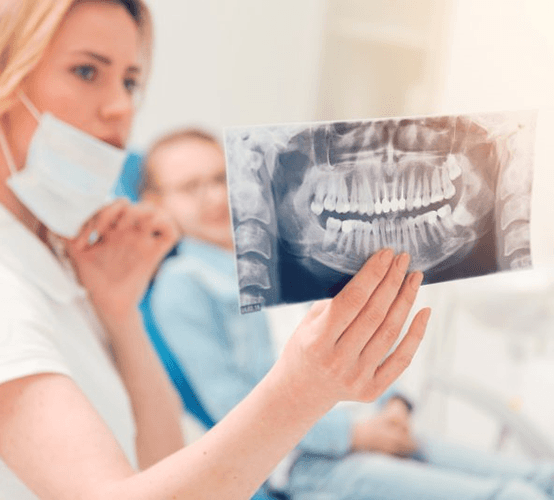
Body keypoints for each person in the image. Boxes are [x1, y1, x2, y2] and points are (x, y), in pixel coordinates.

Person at [0, 2, 431, 499]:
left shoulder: (65, 260)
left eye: (130, 81)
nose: (120, 106)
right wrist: (301, 389)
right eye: (86, 71)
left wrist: (119, 314)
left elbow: (159, 461)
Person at [144, 127, 554, 500]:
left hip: (376, 420)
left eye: (220, 178)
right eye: (191, 188)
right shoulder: (183, 285)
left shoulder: (292, 250)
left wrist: (395, 406)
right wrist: (353, 434)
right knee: (515, 496)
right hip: (307, 456)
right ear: (156, 203)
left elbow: (368, 332)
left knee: (542, 480)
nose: (214, 197)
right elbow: (229, 404)